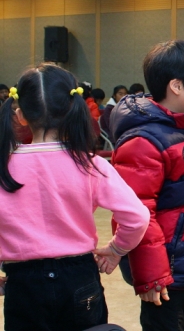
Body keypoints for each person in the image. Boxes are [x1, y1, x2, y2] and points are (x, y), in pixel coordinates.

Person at [0, 63, 149, 331]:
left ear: (20, 115)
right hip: (79, 276)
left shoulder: (4, 166)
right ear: (73, 109)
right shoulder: (90, 164)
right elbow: (137, 217)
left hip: (23, 282)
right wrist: (116, 249)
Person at [111, 40, 184, 330]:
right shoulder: (143, 141)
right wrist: (150, 275)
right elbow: (136, 213)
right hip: (167, 276)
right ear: (177, 86)